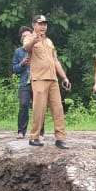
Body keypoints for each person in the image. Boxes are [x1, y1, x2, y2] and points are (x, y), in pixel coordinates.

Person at [22, 14, 71, 149]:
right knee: (39, 108)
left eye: (45, 24)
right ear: (34, 25)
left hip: (53, 79)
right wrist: (34, 41)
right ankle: (35, 137)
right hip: (39, 79)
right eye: (40, 23)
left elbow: (55, 60)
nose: (43, 26)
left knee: (58, 108)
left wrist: (64, 77)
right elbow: (26, 48)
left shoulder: (49, 41)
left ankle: (60, 138)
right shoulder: (29, 37)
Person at [12, 26, 34, 138]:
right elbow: (14, 69)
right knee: (24, 105)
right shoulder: (18, 52)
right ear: (21, 39)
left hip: (37, 81)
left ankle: (40, 132)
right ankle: (21, 131)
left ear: (32, 36)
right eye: (23, 36)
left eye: (28, 35)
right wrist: (22, 63)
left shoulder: (38, 49)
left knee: (39, 106)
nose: (25, 37)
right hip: (25, 82)